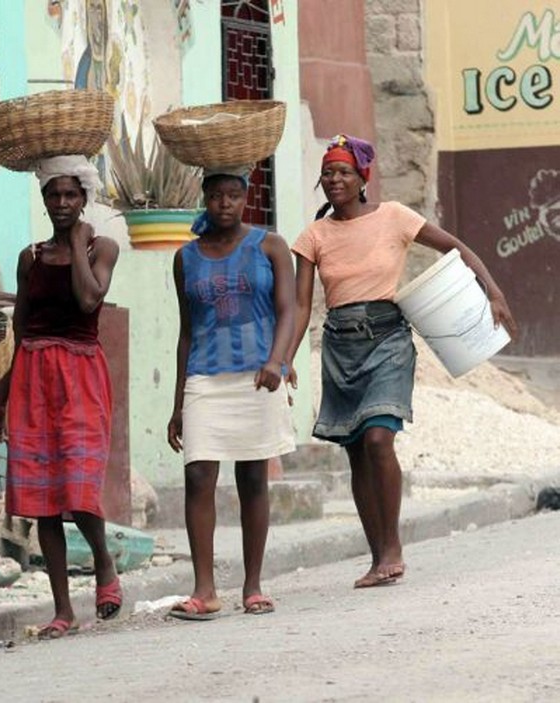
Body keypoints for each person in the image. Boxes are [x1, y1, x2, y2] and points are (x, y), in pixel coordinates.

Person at [287, 135, 518, 588]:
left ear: (362, 179)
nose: (335, 180)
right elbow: (299, 307)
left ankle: (392, 546)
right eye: (329, 173)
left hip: (389, 339)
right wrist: (285, 359)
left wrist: (493, 289)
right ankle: (378, 557)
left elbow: (455, 247)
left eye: (344, 172)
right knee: (355, 452)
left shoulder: (394, 216)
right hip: (339, 345)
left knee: (377, 439)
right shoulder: (313, 236)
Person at [0, 155, 122, 639]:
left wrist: (80, 244)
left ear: (84, 199)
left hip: (81, 373)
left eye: (70, 195)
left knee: (80, 487)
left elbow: (88, 301)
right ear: (44, 200)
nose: (61, 203)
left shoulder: (103, 247)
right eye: (53, 195)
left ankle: (104, 563)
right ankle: (63, 610)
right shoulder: (31, 257)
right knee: (42, 499)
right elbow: (18, 332)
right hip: (33, 378)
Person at [166, 165, 296, 619]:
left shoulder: (270, 245)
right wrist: (178, 403)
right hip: (205, 374)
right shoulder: (186, 257)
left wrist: (277, 361)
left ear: (247, 198)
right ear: (205, 197)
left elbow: (288, 310)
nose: (225, 203)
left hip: (258, 375)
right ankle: (205, 590)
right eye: (216, 195)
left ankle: (253, 585)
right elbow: (186, 331)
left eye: (233, 195)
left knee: (252, 479)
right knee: (199, 475)